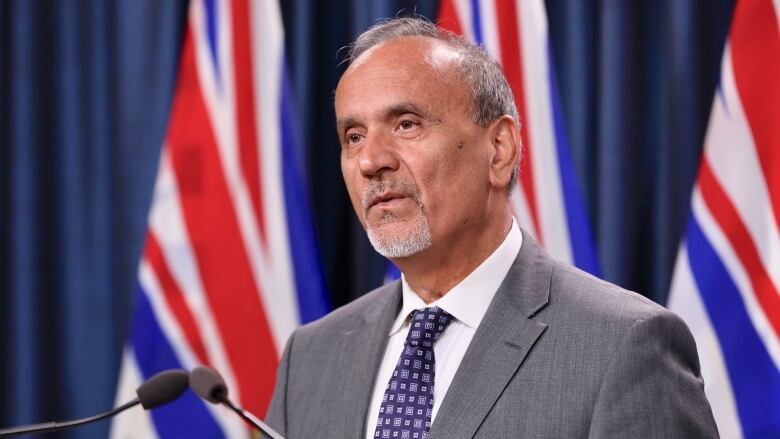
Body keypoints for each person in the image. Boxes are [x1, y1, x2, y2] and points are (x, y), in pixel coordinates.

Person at [266, 17, 718, 439]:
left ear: (499, 150)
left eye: (406, 124)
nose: (370, 161)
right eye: (354, 137)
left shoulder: (624, 346)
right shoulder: (310, 358)